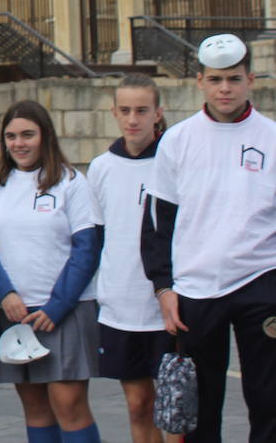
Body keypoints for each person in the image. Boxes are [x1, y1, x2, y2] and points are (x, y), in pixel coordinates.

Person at [142, 34, 276, 443]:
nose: (225, 89)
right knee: (201, 403)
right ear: (199, 81)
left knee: (269, 397)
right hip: (197, 288)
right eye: (216, 79)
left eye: (234, 79)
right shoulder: (178, 140)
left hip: (263, 282)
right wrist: (163, 286)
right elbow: (156, 220)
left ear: (250, 79)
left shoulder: (272, 136)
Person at [0, 99, 104, 443]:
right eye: (11, 136)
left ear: (45, 136)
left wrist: (58, 306)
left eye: (28, 134)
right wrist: (6, 294)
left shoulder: (72, 182)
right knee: (34, 405)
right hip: (15, 311)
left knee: (68, 403)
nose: (19, 143)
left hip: (66, 309)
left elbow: (87, 248)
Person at [89, 74, 178, 443]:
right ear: (113, 112)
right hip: (121, 306)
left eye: (142, 110)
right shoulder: (101, 167)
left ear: (158, 113)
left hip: (168, 306)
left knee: (175, 407)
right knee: (139, 404)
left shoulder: (174, 162)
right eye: (125, 110)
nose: (133, 119)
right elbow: (96, 239)